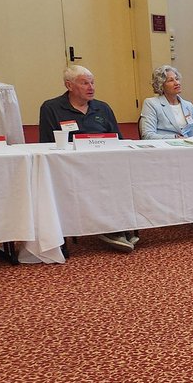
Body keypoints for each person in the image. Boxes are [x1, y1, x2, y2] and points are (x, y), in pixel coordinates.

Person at [38, 66, 136, 252]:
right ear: (69, 85)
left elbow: (118, 140)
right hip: (70, 166)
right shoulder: (51, 108)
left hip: (104, 163)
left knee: (123, 175)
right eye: (84, 83)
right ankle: (109, 228)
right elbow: (46, 143)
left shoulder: (103, 108)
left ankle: (117, 225)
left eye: (92, 82)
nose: (91, 87)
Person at [139, 65, 193, 233]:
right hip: (164, 152)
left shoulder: (188, 105)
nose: (176, 82)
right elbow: (147, 135)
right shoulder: (152, 104)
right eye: (171, 80)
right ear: (161, 85)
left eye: (177, 79)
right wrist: (174, 139)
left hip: (187, 151)